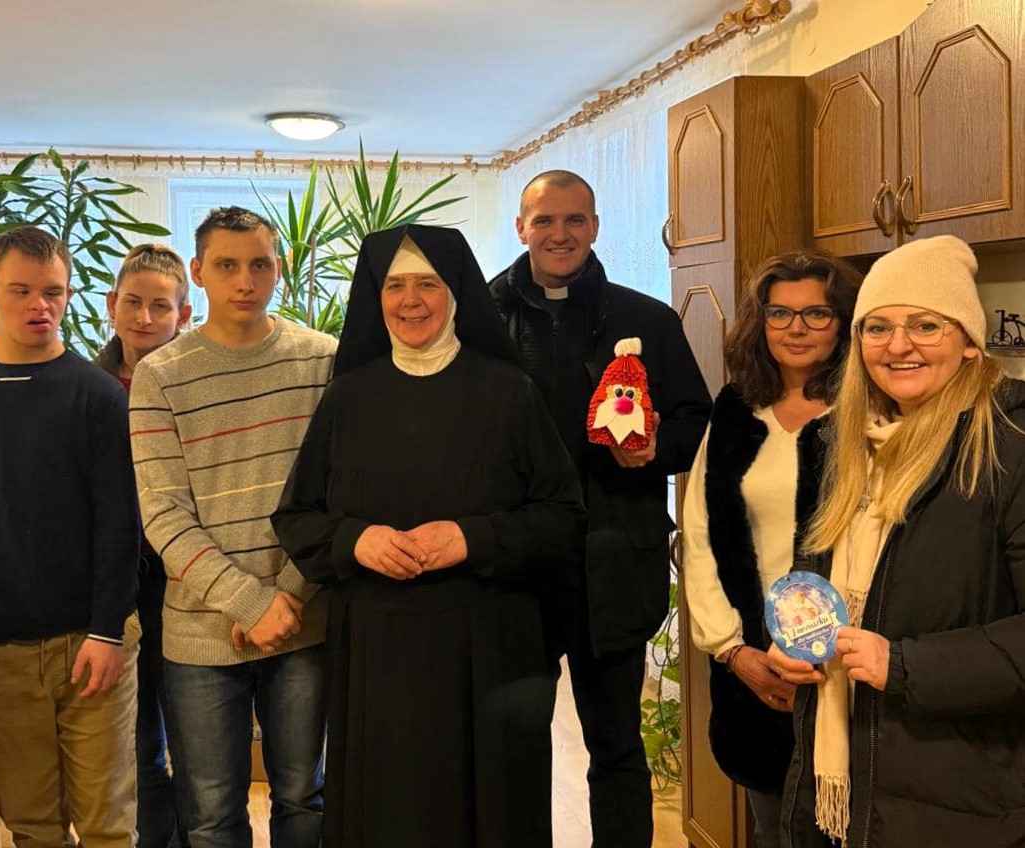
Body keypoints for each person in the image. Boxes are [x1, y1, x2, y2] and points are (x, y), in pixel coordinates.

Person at [272, 224, 586, 848]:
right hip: (378, 650)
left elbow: (563, 516)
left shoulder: (509, 392)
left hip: (490, 646)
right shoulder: (348, 397)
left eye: (427, 285)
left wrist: (473, 537)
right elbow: (297, 516)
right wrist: (356, 540)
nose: (410, 301)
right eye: (395, 286)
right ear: (376, 297)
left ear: (456, 293)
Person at [769, 235, 1025, 847]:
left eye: (926, 325)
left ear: (969, 341)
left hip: (962, 798)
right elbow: (812, 576)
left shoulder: (1010, 445)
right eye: (877, 327)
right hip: (837, 782)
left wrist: (904, 665)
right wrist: (791, 639)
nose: (898, 345)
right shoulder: (837, 443)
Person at [488, 169, 712, 847]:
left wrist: (656, 449)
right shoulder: (480, 319)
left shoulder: (646, 318)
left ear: (594, 226)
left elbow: (695, 420)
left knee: (616, 744)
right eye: (544, 220)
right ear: (521, 228)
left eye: (574, 219)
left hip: (614, 562)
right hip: (516, 570)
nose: (560, 234)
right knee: (514, 748)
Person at [0, 226, 141, 847]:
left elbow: (120, 523)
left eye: (53, 292)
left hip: (94, 643)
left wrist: (107, 630)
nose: (40, 305)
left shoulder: (100, 398)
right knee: (32, 826)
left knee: (107, 825)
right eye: (21, 291)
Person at [129, 207, 333, 848]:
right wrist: (249, 601)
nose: (245, 281)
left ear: (280, 267)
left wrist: (285, 598)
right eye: (226, 265)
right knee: (211, 814)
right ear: (197, 272)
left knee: (303, 796)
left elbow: (338, 494)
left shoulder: (321, 360)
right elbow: (164, 515)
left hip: (302, 621)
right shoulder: (160, 375)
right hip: (199, 633)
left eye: (259, 264)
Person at [681, 249, 861, 848]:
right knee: (773, 825)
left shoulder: (870, 412)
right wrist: (733, 651)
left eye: (816, 314)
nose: (796, 329)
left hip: (850, 669)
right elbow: (700, 533)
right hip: (756, 669)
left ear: (844, 323)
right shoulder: (735, 409)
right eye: (780, 313)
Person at [96, 243, 193, 848]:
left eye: (161, 306)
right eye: (133, 302)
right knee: (138, 744)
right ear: (112, 306)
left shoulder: (198, 379)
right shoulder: (89, 387)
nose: (145, 317)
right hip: (118, 583)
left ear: (184, 315)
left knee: (196, 740)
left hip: (186, 580)